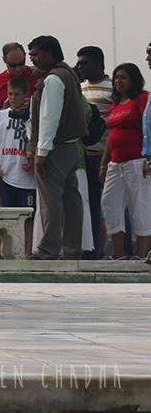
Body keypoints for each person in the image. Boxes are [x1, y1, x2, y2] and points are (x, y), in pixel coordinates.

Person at [25, 35, 85, 260]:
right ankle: (71, 250)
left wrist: (41, 153)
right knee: (71, 200)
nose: (33, 59)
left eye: (36, 54)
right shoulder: (69, 73)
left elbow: (49, 118)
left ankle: (47, 250)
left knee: (50, 201)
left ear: (50, 54)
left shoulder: (53, 79)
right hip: (70, 148)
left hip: (54, 149)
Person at [99, 62, 150, 259]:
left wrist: (149, 156)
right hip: (115, 163)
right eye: (116, 77)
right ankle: (118, 253)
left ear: (133, 79)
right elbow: (112, 134)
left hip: (137, 161)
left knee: (140, 205)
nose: (118, 81)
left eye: (123, 77)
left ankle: (140, 253)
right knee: (110, 202)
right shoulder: (116, 103)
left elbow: (149, 127)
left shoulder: (142, 99)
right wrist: (104, 164)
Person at [76, 46, 114, 259]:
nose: (80, 67)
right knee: (88, 205)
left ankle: (119, 250)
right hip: (86, 156)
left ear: (98, 64)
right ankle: (91, 250)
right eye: (78, 63)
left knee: (111, 205)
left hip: (106, 156)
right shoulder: (80, 88)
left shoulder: (112, 87)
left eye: (84, 63)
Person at [0, 75, 36, 248]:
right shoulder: (0, 117)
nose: (13, 98)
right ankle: (8, 251)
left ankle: (29, 251)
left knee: (28, 218)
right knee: (7, 218)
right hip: (7, 175)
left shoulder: (31, 115)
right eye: (10, 94)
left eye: (17, 94)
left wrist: (31, 158)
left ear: (25, 94)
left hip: (27, 178)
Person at [0, 43, 37, 112]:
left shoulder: (36, 75)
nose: (18, 69)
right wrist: (5, 111)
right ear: (4, 60)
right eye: (13, 65)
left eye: (21, 63)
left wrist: (33, 106)